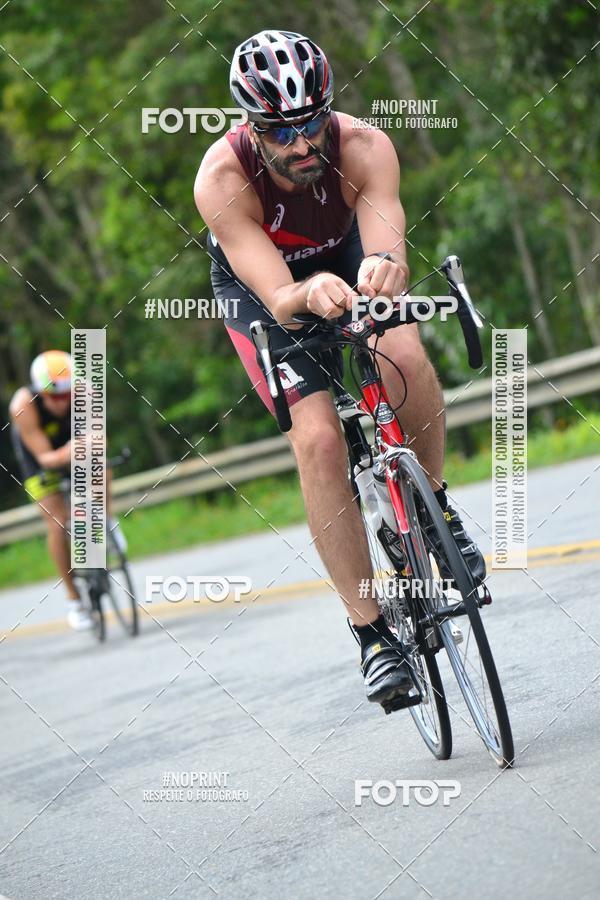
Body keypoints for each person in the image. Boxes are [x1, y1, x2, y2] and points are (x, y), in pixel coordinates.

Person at [194, 30, 486, 707]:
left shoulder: (364, 146)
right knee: (320, 439)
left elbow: (386, 244)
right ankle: (373, 635)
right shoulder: (221, 181)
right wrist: (303, 295)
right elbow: (279, 297)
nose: (301, 144)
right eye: (280, 130)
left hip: (344, 251)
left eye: (312, 122)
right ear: (250, 125)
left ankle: (436, 510)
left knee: (402, 349)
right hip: (264, 289)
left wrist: (385, 270)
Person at [9, 350, 122, 631]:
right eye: (54, 397)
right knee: (58, 524)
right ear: (39, 392)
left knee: (102, 466)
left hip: (72, 445)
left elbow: (101, 439)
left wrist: (90, 446)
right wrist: (72, 450)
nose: (62, 403)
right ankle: (75, 600)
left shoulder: (85, 392)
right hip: (40, 458)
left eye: (67, 395)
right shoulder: (23, 405)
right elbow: (46, 458)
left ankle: (105, 520)